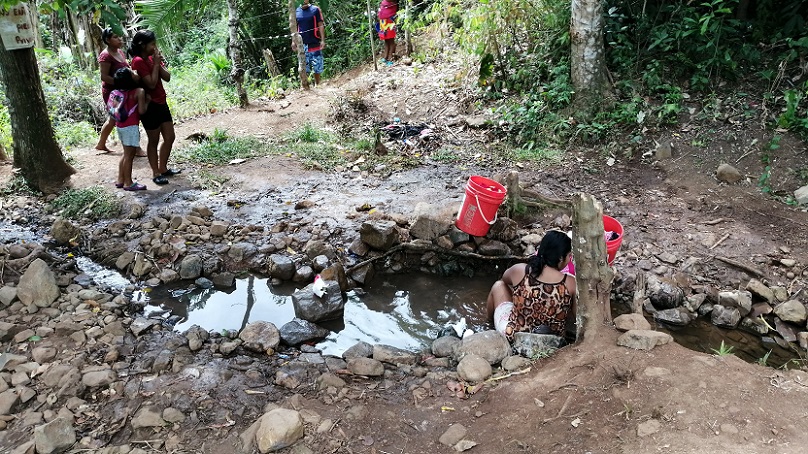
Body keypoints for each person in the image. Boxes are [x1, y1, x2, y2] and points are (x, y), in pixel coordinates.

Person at [487, 230, 578, 342]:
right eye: (569, 255)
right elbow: (577, 317)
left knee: (498, 286)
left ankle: (488, 326)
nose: (570, 259)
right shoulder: (570, 282)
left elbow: (504, 280)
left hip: (515, 338)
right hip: (552, 342)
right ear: (560, 258)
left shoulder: (520, 270)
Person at [129, 30, 180, 186]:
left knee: (170, 137)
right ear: (143, 45)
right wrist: (156, 64)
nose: (154, 46)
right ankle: (156, 172)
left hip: (161, 101)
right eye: (152, 44)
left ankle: (163, 167)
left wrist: (158, 63)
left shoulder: (152, 57)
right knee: (154, 140)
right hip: (149, 105)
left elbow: (167, 77)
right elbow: (150, 83)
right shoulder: (137, 61)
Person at [95, 28, 145, 157]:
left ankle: (101, 143)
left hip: (123, 91)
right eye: (115, 37)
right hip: (114, 93)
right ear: (107, 40)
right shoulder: (105, 56)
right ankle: (136, 148)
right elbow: (104, 76)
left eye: (119, 37)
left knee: (113, 118)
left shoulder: (120, 52)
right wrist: (121, 83)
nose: (120, 39)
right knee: (127, 117)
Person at [110, 68, 149, 191]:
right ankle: (129, 183)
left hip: (120, 126)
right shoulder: (139, 91)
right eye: (132, 72)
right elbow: (142, 111)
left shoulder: (116, 92)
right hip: (131, 127)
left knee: (125, 153)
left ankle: (120, 179)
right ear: (131, 79)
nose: (135, 71)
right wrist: (147, 101)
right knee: (129, 156)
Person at [294, 0, 326, 85]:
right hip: (302, 44)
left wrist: (322, 40)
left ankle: (318, 84)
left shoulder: (315, 9)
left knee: (317, 65)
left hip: (314, 41)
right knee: (304, 66)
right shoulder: (296, 11)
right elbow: (295, 28)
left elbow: (320, 25)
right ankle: (306, 85)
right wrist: (293, 42)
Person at [377, 0, 399, 65]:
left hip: (390, 21)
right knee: (386, 40)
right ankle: (385, 57)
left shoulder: (393, 2)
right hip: (383, 22)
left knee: (391, 40)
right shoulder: (385, 2)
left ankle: (390, 58)